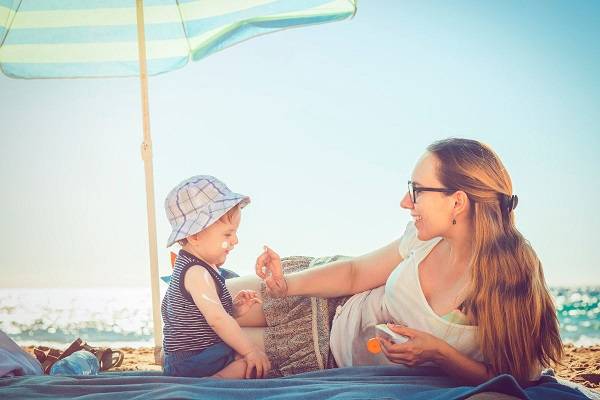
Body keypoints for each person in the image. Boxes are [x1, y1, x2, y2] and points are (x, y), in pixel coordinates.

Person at [226, 138, 563, 385]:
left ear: (457, 202)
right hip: (322, 298)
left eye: (417, 190)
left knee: (208, 347)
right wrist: (288, 285)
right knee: (199, 307)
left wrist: (439, 354)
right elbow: (355, 272)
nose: (405, 202)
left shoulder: (511, 275)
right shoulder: (422, 238)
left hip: (322, 351)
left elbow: (515, 375)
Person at [161, 175, 271, 379]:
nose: (235, 240)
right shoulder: (197, 273)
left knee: (243, 354)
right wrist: (250, 351)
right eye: (228, 234)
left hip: (194, 358)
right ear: (195, 236)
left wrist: (235, 310)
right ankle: (210, 384)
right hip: (190, 361)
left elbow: (204, 317)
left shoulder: (198, 267)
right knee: (248, 360)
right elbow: (217, 320)